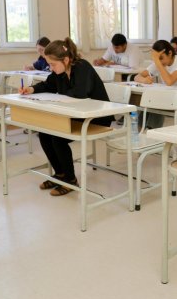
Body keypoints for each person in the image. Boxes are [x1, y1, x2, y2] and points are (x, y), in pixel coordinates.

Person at [19, 37, 112, 196]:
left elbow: (79, 94)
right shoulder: (60, 71)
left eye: (53, 64)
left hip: (96, 117)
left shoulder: (82, 67)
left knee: (57, 138)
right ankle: (60, 174)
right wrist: (31, 89)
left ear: (66, 60)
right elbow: (48, 84)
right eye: (49, 64)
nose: (51, 68)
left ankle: (70, 180)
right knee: (44, 133)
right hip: (77, 114)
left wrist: (57, 98)